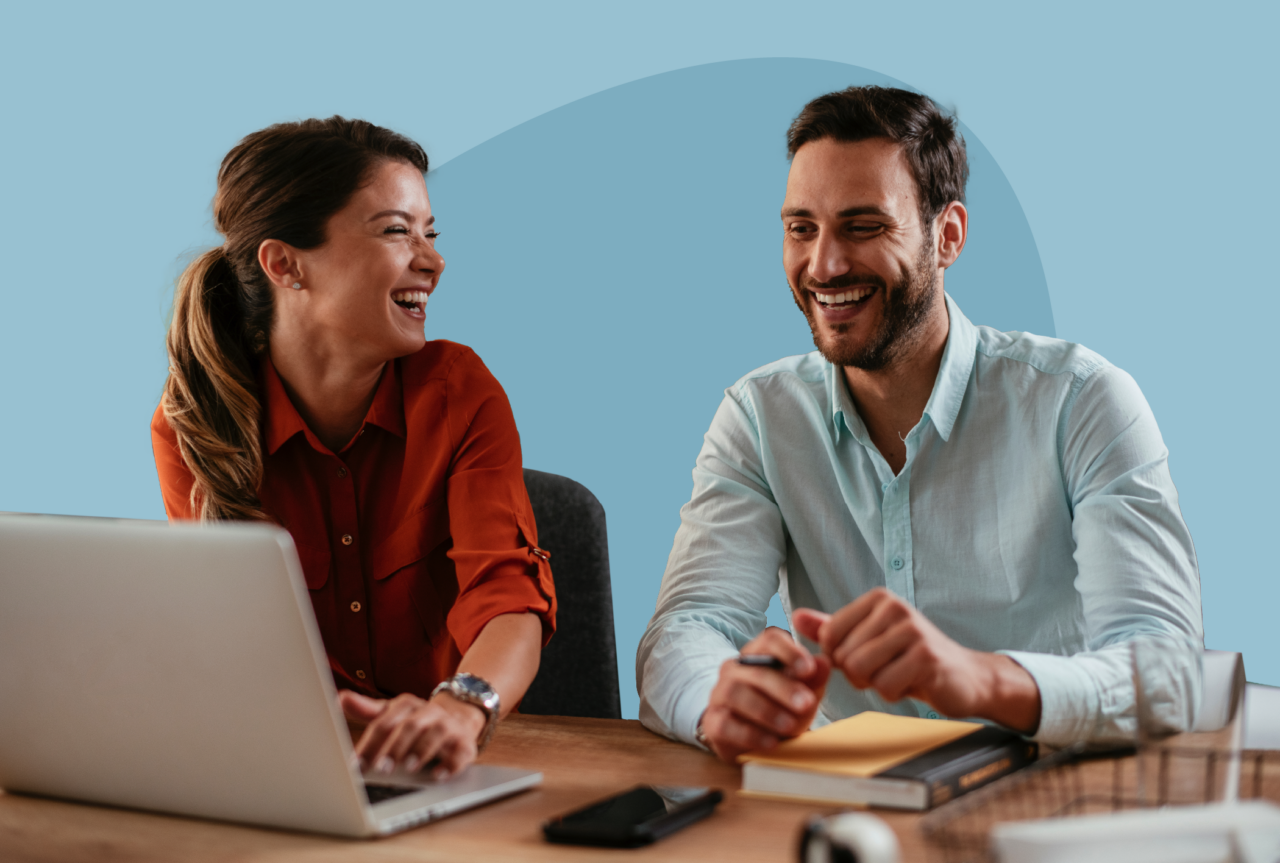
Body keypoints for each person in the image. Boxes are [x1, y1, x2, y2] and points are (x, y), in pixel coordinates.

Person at [636, 86, 1202, 761]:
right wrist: (719, 698)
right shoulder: (760, 416)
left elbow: (1168, 674)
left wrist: (982, 678)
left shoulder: (1082, 402)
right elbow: (688, 626)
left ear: (948, 235)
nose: (823, 265)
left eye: (863, 225)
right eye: (801, 228)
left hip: (1043, 807)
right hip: (835, 804)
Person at [151, 117, 555, 780]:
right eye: (397, 230)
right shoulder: (193, 424)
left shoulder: (460, 392)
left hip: (443, 764)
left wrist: (461, 707)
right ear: (285, 264)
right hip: (292, 768)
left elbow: (507, 592)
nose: (432, 259)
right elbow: (233, 642)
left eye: (430, 233)